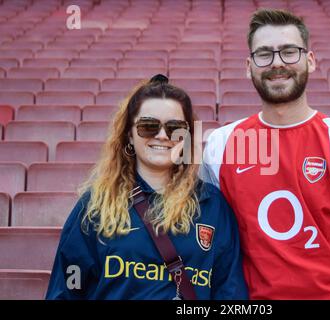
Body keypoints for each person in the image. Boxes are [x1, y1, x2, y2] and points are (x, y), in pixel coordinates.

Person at [200, 9, 330, 300]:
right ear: (248, 66)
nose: (277, 63)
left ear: (311, 61)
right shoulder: (221, 144)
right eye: (264, 54)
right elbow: (210, 245)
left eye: (289, 52)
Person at [46, 74, 248, 300]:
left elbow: (230, 293)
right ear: (129, 135)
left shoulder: (213, 206)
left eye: (175, 127)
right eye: (148, 126)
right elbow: (67, 290)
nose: (162, 136)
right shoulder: (96, 205)